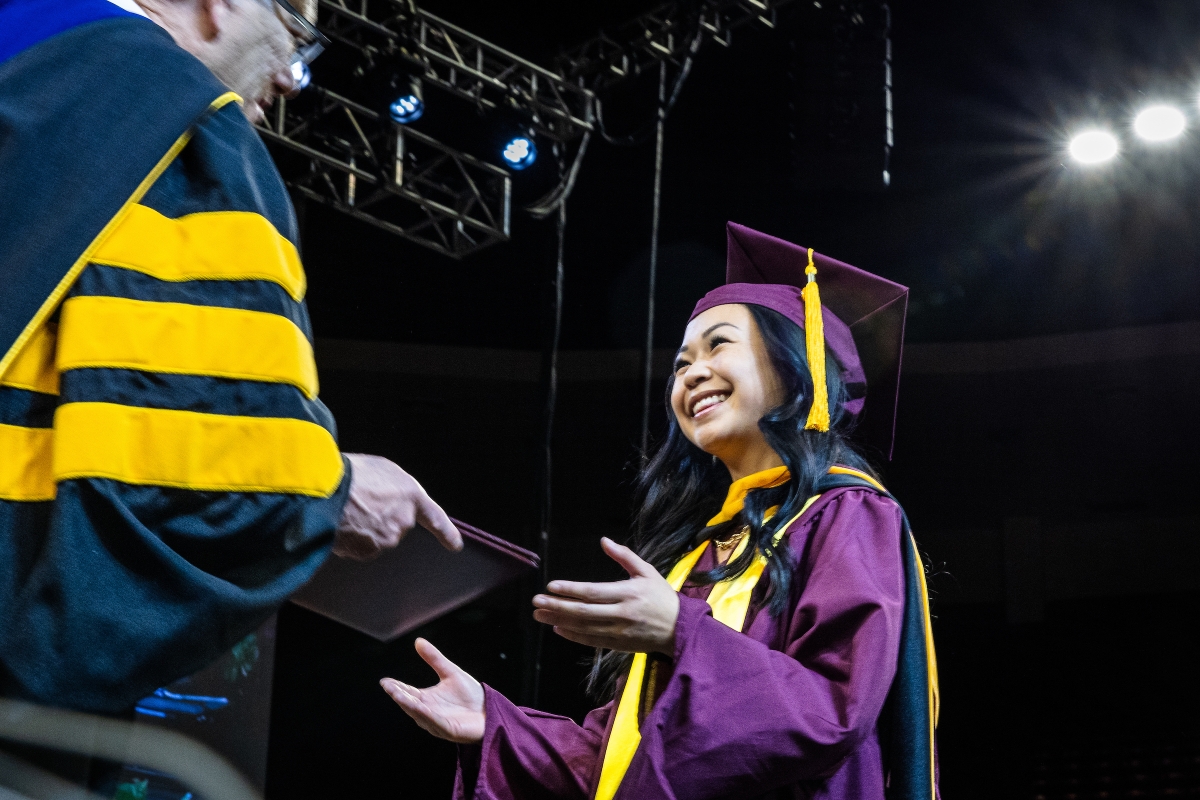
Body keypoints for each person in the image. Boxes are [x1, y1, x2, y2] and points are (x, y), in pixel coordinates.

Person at [0, 0, 461, 714]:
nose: (290, 82)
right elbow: (184, 457)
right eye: (295, 38)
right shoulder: (173, 120)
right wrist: (324, 494)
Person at [381, 223, 940, 800]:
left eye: (718, 345)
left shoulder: (847, 514)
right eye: (680, 363)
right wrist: (496, 727)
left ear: (797, 366)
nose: (691, 372)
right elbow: (623, 758)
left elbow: (835, 709)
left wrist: (682, 632)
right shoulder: (703, 555)